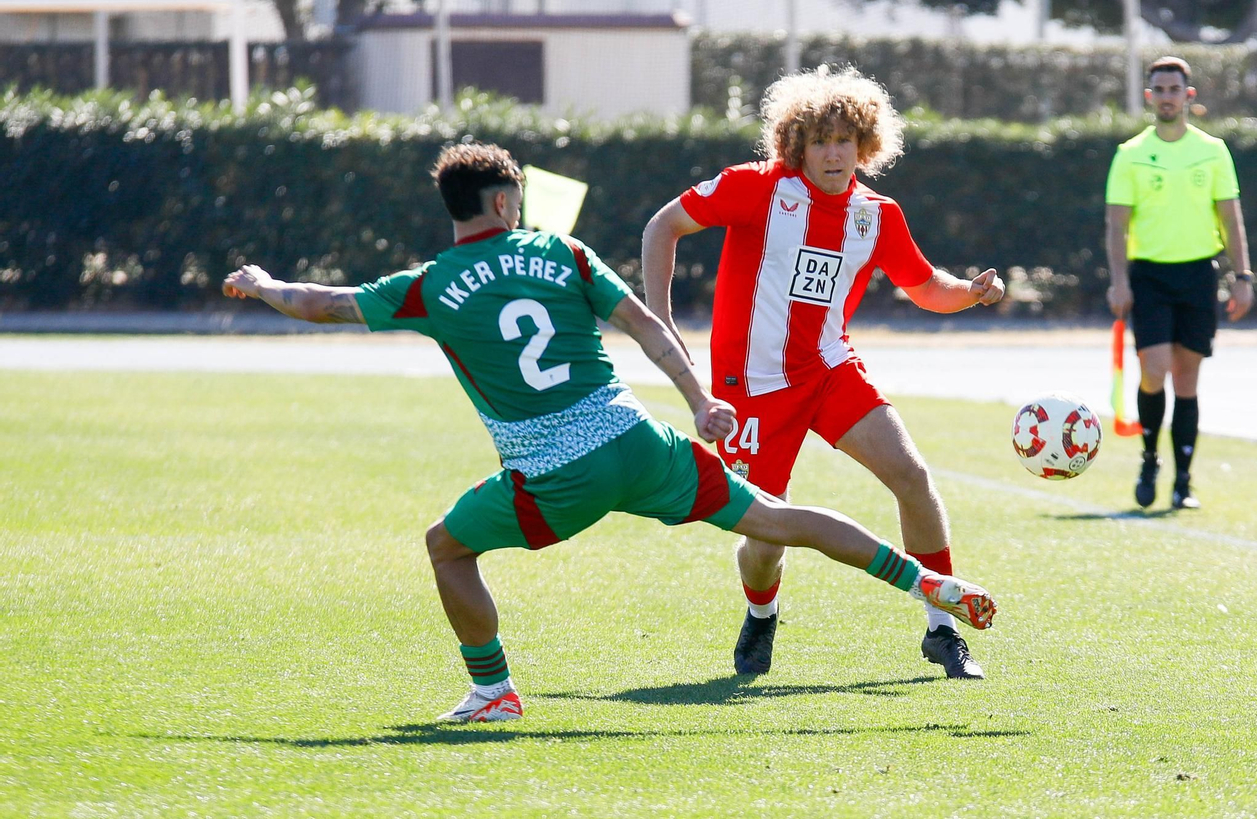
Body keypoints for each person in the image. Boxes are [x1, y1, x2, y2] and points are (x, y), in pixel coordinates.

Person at [222, 142, 996, 723]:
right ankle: (924, 583)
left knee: (446, 546)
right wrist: (698, 400)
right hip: (638, 441)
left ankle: (492, 688)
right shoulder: (564, 252)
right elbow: (646, 328)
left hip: (553, 478)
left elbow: (322, 302)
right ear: (501, 203)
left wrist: (260, 287)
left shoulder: (428, 285)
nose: (519, 207)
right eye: (516, 196)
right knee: (775, 515)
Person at [641, 66, 1006, 681]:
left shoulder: (877, 215)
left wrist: (970, 292)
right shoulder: (755, 188)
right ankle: (763, 614)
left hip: (831, 372)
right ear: (796, 145)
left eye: (846, 140)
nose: (834, 153)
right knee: (765, 535)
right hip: (751, 387)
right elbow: (662, 227)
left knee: (911, 475)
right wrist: (662, 325)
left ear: (866, 145)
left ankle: (942, 629)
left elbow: (924, 288)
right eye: (821, 140)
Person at [1104, 56, 1254, 511]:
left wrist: (1242, 277)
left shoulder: (1212, 150)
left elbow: (1231, 218)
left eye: (1174, 89)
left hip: (1197, 276)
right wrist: (1118, 282)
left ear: (1189, 96)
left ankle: (1183, 481)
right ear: (1149, 97)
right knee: (1154, 371)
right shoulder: (1130, 155)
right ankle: (1150, 458)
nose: (1167, 96)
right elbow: (1115, 226)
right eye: (1159, 89)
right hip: (1149, 275)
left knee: (1187, 379)